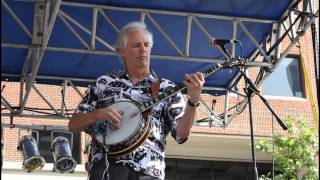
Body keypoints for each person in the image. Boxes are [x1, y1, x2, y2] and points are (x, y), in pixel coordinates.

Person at [68, 21, 205, 180]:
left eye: (146, 45)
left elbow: (181, 135)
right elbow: (73, 125)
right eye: (136, 45)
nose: (143, 50)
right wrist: (98, 114)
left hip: (148, 171)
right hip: (107, 167)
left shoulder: (167, 87)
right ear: (122, 51)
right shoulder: (104, 83)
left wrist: (193, 101)